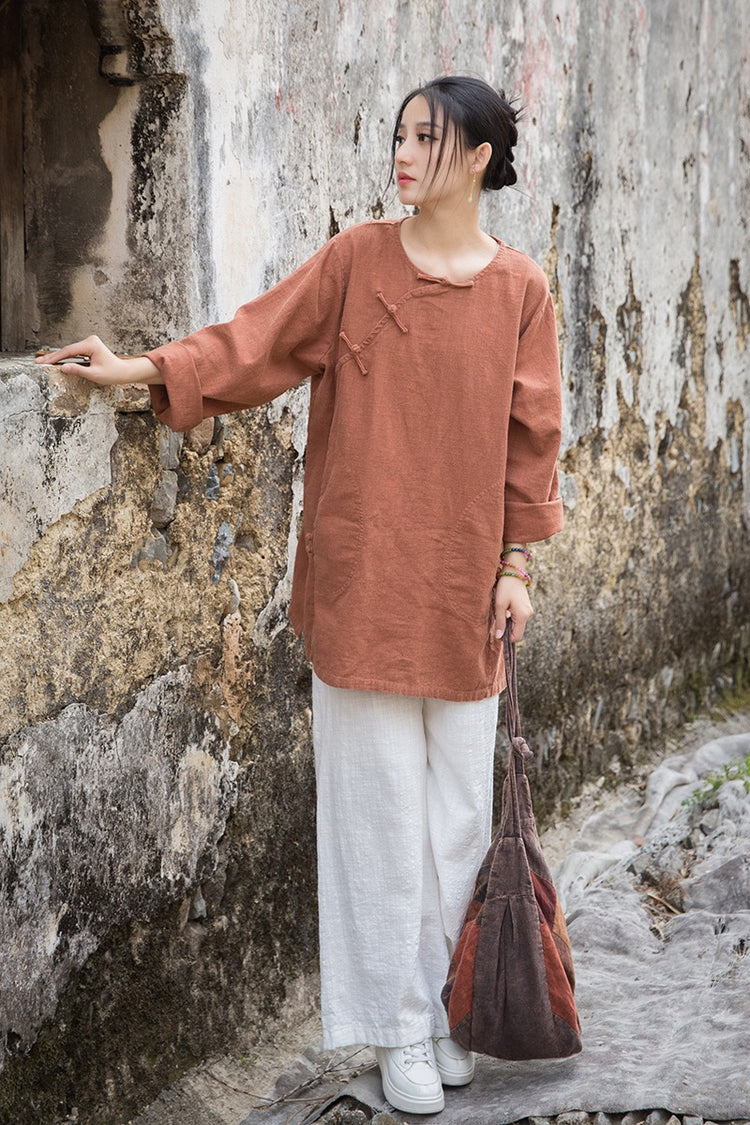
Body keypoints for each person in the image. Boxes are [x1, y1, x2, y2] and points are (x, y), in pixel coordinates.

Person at [38, 74, 563, 1115]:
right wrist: (136, 370)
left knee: (460, 820)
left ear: (477, 159)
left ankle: (446, 1008)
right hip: (362, 584)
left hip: (466, 594)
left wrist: (517, 568)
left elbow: (532, 441)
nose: (402, 154)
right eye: (399, 134)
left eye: (426, 138)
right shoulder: (355, 261)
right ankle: (400, 1031)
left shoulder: (521, 290)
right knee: (376, 815)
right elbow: (254, 343)